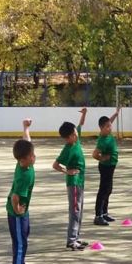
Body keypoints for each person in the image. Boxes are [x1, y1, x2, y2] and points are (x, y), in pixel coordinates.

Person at [6, 119, 37, 264]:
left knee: (23, 241)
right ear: (24, 160)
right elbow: (15, 197)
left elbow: (27, 141)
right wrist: (17, 210)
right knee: (19, 244)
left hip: (23, 212)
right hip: (17, 214)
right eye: (32, 155)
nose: (34, 156)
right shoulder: (23, 175)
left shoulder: (25, 162)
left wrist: (25, 128)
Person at [53, 108, 90, 251]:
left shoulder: (76, 140)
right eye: (74, 134)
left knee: (79, 210)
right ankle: (71, 240)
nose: (76, 134)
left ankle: (76, 237)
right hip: (73, 183)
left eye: (76, 132)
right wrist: (67, 171)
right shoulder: (67, 149)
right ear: (68, 138)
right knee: (74, 210)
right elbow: (55, 165)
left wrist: (84, 114)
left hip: (80, 181)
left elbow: (81, 124)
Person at [93, 107, 121, 226]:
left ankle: (104, 213)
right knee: (103, 191)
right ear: (102, 128)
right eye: (108, 127)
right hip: (106, 167)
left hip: (111, 167)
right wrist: (102, 158)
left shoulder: (107, 132)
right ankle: (98, 216)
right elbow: (95, 154)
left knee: (108, 190)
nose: (110, 128)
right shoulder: (102, 140)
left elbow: (109, 121)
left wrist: (116, 114)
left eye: (110, 126)